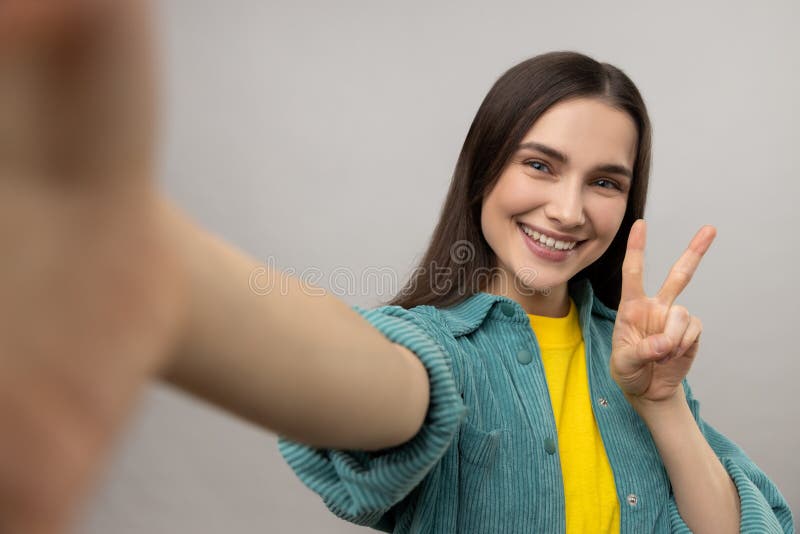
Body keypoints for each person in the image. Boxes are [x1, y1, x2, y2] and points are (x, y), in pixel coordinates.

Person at [0, 2, 793, 534]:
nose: (569, 209)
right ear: (485, 170)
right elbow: (370, 385)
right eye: (541, 165)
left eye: (605, 183)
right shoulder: (431, 354)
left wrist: (663, 405)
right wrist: (163, 282)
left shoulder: (641, 358)